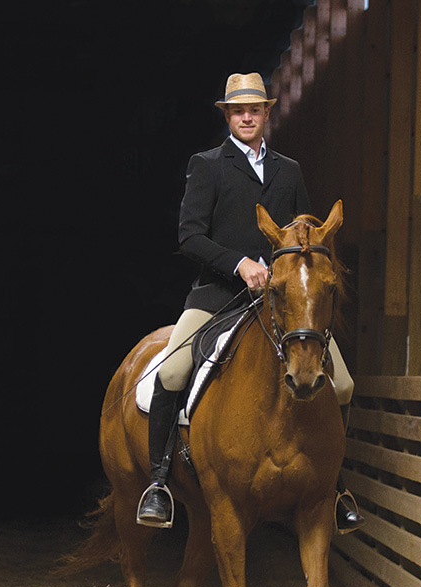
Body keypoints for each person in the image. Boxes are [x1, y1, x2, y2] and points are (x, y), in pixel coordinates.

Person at [136, 72, 362, 533]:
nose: (246, 117)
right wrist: (239, 264)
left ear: (265, 114)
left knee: (343, 385)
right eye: (238, 111)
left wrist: (292, 271)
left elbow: (303, 232)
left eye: (254, 110)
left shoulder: (289, 170)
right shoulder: (207, 165)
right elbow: (190, 237)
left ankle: (334, 485)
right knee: (173, 371)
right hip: (219, 294)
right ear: (227, 115)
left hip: (281, 301)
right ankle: (159, 483)